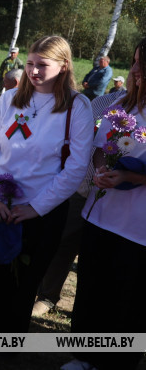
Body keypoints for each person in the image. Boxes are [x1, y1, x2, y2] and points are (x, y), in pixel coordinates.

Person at [0, 35, 92, 333]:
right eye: (29, 64)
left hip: (43, 214)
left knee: (25, 281)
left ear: (64, 66)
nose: (33, 71)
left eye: (42, 65)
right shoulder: (10, 99)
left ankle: (8, 339)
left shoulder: (77, 107)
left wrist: (35, 208)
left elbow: (76, 168)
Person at [67, 40, 146, 370]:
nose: (135, 70)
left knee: (125, 302)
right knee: (90, 290)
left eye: (143, 63)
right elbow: (101, 146)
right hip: (100, 216)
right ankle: (83, 357)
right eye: (135, 61)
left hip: (137, 230)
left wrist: (137, 179)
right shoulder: (124, 106)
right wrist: (101, 169)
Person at [32, 72, 130, 318]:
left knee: (100, 260)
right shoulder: (103, 103)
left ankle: (92, 313)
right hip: (83, 188)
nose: (136, 71)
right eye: (134, 64)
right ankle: (46, 295)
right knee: (62, 243)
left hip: (121, 200)